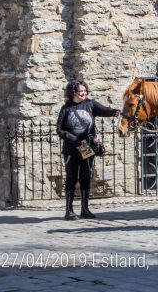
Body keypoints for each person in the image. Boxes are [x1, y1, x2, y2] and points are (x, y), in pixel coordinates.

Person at [56, 80, 118, 220]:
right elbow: (59, 130)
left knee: (86, 177)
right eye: (80, 91)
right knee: (71, 177)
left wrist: (118, 113)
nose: (83, 93)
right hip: (72, 148)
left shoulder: (90, 105)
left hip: (86, 146)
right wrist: (75, 140)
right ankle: (69, 211)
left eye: (85, 91)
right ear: (73, 93)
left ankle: (85, 209)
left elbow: (106, 110)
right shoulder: (66, 108)